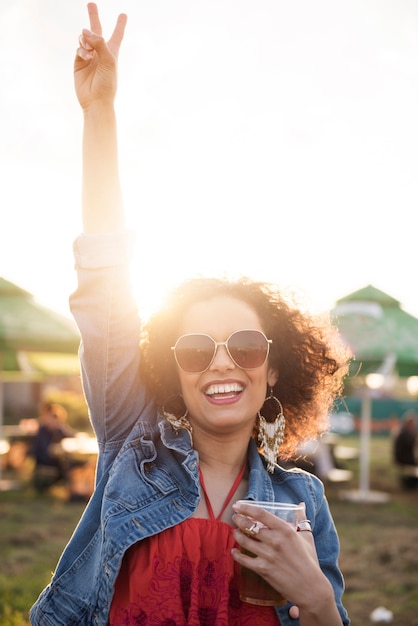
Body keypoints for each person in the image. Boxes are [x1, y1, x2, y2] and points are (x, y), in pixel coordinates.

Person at [30, 4, 351, 625]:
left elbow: (327, 617)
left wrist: (313, 598)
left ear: (274, 369)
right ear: (173, 371)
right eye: (196, 349)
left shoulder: (301, 500)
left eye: (246, 346)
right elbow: (105, 288)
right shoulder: (132, 445)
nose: (222, 363)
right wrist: (100, 114)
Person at [30, 401, 73, 493]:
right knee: (68, 466)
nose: (55, 420)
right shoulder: (42, 430)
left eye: (57, 418)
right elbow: (44, 451)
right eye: (52, 417)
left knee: (71, 463)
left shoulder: (59, 429)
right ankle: (72, 491)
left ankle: (73, 489)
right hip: (45, 461)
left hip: (56, 460)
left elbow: (72, 435)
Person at [393, 411, 418, 489]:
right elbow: (409, 444)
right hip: (404, 458)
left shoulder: (406, 432)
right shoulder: (403, 433)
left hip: (406, 457)